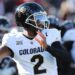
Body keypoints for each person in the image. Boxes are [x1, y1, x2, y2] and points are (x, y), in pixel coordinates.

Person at [0, 2, 71, 75]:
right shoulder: (13, 40)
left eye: (41, 18)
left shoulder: (49, 34)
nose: (41, 22)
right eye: (37, 19)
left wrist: (47, 47)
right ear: (25, 21)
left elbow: (66, 58)